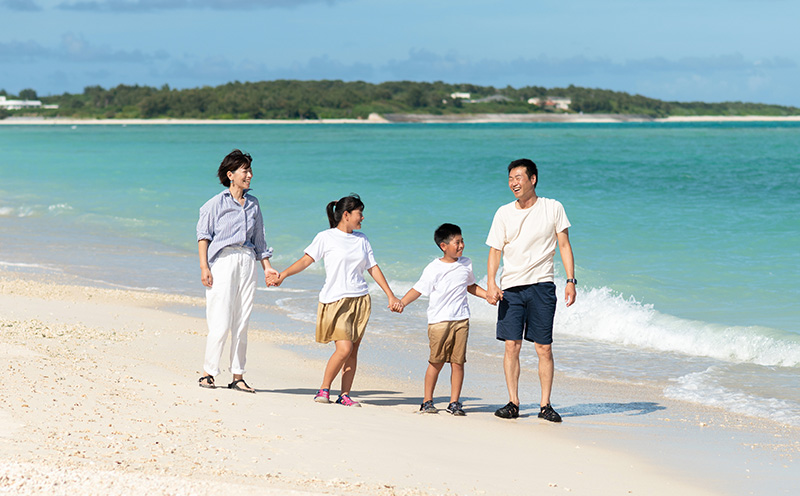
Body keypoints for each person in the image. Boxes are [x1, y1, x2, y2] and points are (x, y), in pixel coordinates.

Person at [272, 194, 400, 407]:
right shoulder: (326, 237)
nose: (363, 218)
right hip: (335, 301)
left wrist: (390, 294)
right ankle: (324, 389)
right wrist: (283, 275)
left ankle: (345, 394)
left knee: (353, 350)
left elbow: (373, 268)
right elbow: (306, 260)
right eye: (360, 213)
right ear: (346, 215)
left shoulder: (362, 239)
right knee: (344, 349)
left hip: (360, 300)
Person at [485, 158, 576, 422]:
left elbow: (564, 245)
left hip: (542, 285)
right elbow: (495, 250)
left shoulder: (553, 207)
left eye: (518, 177)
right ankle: (513, 402)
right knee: (511, 346)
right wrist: (491, 282)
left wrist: (571, 280)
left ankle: (545, 405)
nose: (514, 183)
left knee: (543, 348)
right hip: (511, 287)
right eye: (510, 178)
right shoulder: (503, 213)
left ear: (532, 179)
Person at [196, 149, 278, 394]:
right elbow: (203, 236)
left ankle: (238, 376)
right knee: (220, 320)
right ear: (231, 174)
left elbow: (260, 240)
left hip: (246, 261)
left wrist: (267, 268)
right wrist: (204, 267)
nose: (250, 175)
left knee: (242, 321)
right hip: (223, 261)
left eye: (250, 170)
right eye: (245, 170)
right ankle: (208, 373)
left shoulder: (253, 204)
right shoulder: (214, 204)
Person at [392, 223, 487, 416]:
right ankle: (427, 401)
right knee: (436, 362)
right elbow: (419, 289)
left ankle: (454, 402)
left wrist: (488, 296)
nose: (461, 246)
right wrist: (402, 302)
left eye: (462, 241)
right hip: (439, 322)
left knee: (458, 362)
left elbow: (471, 286)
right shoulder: (433, 268)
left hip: (461, 320)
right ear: (444, 246)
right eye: (457, 242)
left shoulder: (466, 263)